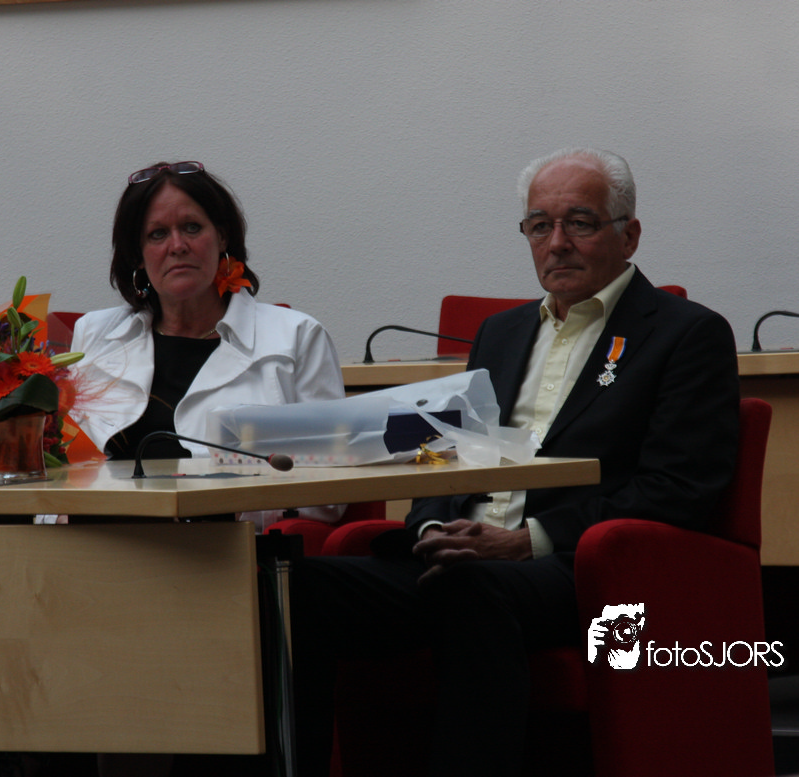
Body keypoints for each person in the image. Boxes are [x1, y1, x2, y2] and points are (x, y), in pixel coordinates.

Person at [290, 148, 741, 777]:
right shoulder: (499, 334)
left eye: (579, 223)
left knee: (470, 592)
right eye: (539, 226)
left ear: (629, 235)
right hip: (459, 563)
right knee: (294, 589)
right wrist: (433, 527)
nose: (556, 244)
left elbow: (677, 488)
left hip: (576, 568)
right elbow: (444, 456)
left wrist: (525, 541)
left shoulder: (684, 334)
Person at [69, 160, 345, 528]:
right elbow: (61, 472)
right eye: (157, 234)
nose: (177, 246)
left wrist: (226, 507)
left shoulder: (297, 337)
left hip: (230, 546)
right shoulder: (94, 335)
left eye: (192, 228)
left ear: (223, 237)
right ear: (138, 254)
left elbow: (330, 493)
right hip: (101, 544)